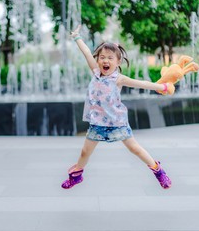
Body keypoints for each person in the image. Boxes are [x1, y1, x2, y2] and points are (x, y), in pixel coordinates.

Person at [61, 25, 173, 190]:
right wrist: (77, 37)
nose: (105, 61)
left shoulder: (118, 78)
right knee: (85, 153)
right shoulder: (96, 71)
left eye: (110, 58)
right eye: (102, 57)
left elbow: (142, 83)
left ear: (118, 61)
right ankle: (77, 175)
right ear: (98, 59)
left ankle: (158, 170)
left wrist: (162, 88)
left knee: (134, 148)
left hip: (116, 122)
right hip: (98, 122)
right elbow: (86, 52)